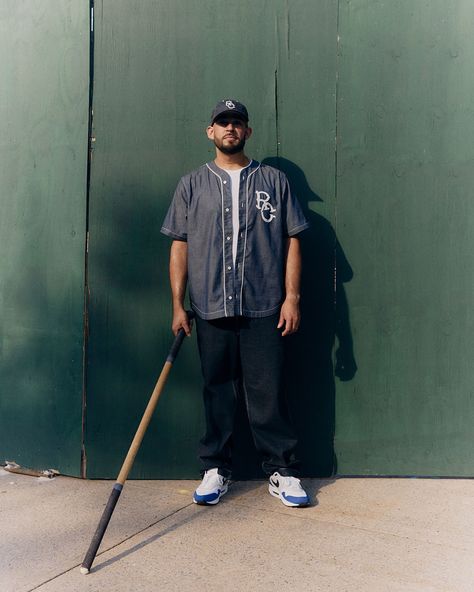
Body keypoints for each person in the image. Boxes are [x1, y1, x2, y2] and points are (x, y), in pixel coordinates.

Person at [161, 99, 310, 507]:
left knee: (269, 392)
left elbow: (293, 238)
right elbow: (180, 245)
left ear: (247, 131)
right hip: (210, 307)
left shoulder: (274, 181)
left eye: (237, 122)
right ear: (210, 131)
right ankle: (216, 468)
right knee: (217, 391)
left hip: (264, 305)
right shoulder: (192, 184)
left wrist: (291, 298)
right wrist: (178, 304)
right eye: (222, 122)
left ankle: (283, 470)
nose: (230, 128)